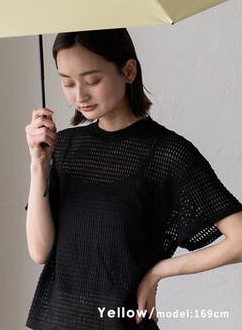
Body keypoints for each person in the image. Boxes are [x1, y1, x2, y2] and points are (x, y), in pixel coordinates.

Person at [23, 28, 242, 330]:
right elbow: (40, 251)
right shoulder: (65, 147)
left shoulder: (167, 153)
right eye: (67, 82)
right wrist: (39, 165)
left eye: (92, 80)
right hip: (54, 321)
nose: (79, 96)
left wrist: (158, 272)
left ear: (128, 71)